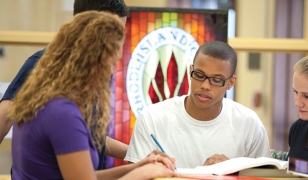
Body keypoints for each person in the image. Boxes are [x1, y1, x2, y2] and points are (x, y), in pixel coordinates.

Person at [10, 11, 176, 180]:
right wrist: (145, 173)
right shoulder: (63, 113)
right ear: (93, 62)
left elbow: (85, 176)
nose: (112, 72)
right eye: (111, 64)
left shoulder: (43, 99)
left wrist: (140, 165)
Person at [0, 0, 129, 170]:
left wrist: (136, 155)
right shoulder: (43, 68)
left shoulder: (93, 73)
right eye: (110, 35)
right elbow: (4, 119)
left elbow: (84, 137)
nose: (115, 47)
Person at [125, 41, 271, 168]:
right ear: (190, 71)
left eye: (216, 80)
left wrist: (233, 172)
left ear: (230, 83)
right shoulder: (152, 118)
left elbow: (265, 177)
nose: (205, 86)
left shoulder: (249, 124)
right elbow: (133, 176)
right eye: (199, 75)